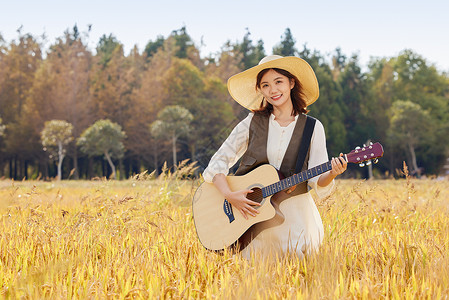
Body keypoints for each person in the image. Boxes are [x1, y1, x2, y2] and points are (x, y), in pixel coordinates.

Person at [202, 55, 347, 259]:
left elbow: (317, 180)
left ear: (291, 83)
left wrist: (332, 173)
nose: (273, 90)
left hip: (294, 220)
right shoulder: (252, 122)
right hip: (251, 220)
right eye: (265, 85)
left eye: (278, 82)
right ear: (260, 90)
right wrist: (229, 194)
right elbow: (219, 161)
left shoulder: (313, 127)